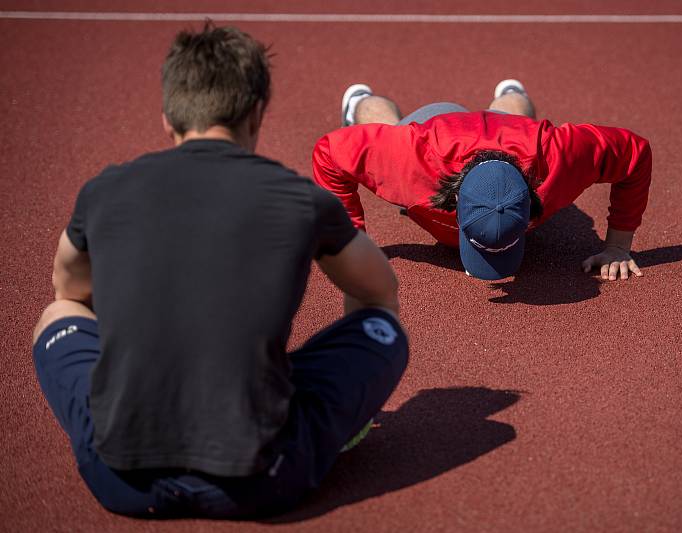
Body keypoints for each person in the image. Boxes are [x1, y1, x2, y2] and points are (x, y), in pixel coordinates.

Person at [31, 22, 408, 519]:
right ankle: (337, 430)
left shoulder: (104, 192)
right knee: (384, 327)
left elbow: (69, 290)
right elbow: (379, 290)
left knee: (56, 314)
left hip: (121, 481)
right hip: (261, 482)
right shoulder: (300, 200)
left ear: (168, 118)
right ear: (257, 113)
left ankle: (132, 415)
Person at [312, 80, 653, 281]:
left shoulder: (557, 155)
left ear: (533, 194)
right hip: (441, 125)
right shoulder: (411, 156)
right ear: (454, 201)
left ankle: (510, 93)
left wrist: (618, 247)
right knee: (386, 120)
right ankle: (359, 101)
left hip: (516, 134)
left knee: (514, 112)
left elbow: (635, 153)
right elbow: (329, 151)